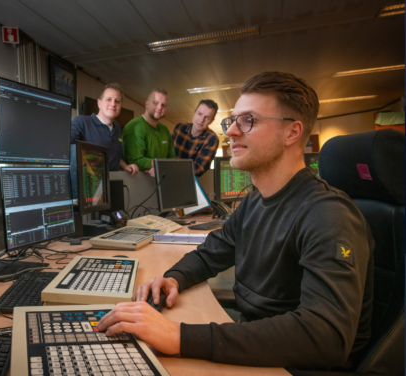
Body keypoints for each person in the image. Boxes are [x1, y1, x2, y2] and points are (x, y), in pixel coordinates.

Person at [97, 71, 374, 370]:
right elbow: (209, 254)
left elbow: (325, 337)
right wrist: (173, 278)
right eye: (233, 121)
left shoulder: (329, 214)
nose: (230, 133)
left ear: (292, 132)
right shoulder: (254, 202)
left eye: (249, 121)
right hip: (258, 347)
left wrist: (178, 336)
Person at [71, 83, 138, 175]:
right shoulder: (81, 122)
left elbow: (113, 156)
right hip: (90, 185)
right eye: (109, 99)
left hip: (114, 183)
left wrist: (125, 166)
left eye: (117, 101)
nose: (113, 104)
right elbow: (64, 152)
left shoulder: (117, 127)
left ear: (120, 106)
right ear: (99, 103)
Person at [123, 88, 175, 177]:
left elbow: (172, 159)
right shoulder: (135, 126)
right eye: (156, 103)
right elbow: (136, 161)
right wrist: (161, 165)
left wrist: (161, 166)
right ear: (147, 104)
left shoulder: (165, 130)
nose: (159, 107)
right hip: (138, 184)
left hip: (160, 182)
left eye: (163, 105)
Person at [173, 99, 220, 177]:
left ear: (211, 121)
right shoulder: (179, 128)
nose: (201, 120)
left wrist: (171, 166)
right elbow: (167, 155)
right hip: (169, 177)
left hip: (192, 183)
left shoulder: (212, 139)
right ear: (194, 113)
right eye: (199, 114)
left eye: (207, 117)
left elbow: (199, 169)